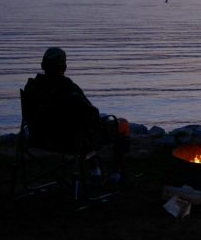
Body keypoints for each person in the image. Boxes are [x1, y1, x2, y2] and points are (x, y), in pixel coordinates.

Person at [24, 47, 130, 180]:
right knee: (122, 124)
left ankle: (95, 170)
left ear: (42, 66)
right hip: (71, 142)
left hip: (40, 138)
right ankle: (116, 173)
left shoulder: (32, 88)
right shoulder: (69, 90)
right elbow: (92, 115)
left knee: (83, 127)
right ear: (64, 67)